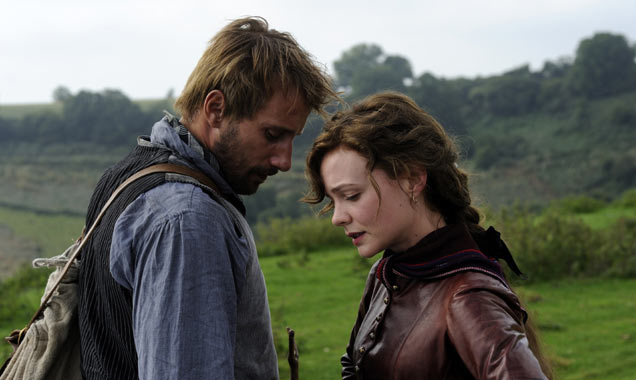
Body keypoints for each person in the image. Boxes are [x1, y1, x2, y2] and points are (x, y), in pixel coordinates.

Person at [77, 17, 337, 380]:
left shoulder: (124, 177)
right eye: (272, 134)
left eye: (291, 138)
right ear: (216, 109)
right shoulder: (188, 220)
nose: (284, 160)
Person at [303, 92, 552, 379]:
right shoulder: (386, 273)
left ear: (412, 179)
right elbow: (354, 365)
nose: (337, 218)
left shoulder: (469, 297)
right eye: (335, 202)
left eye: (352, 195)